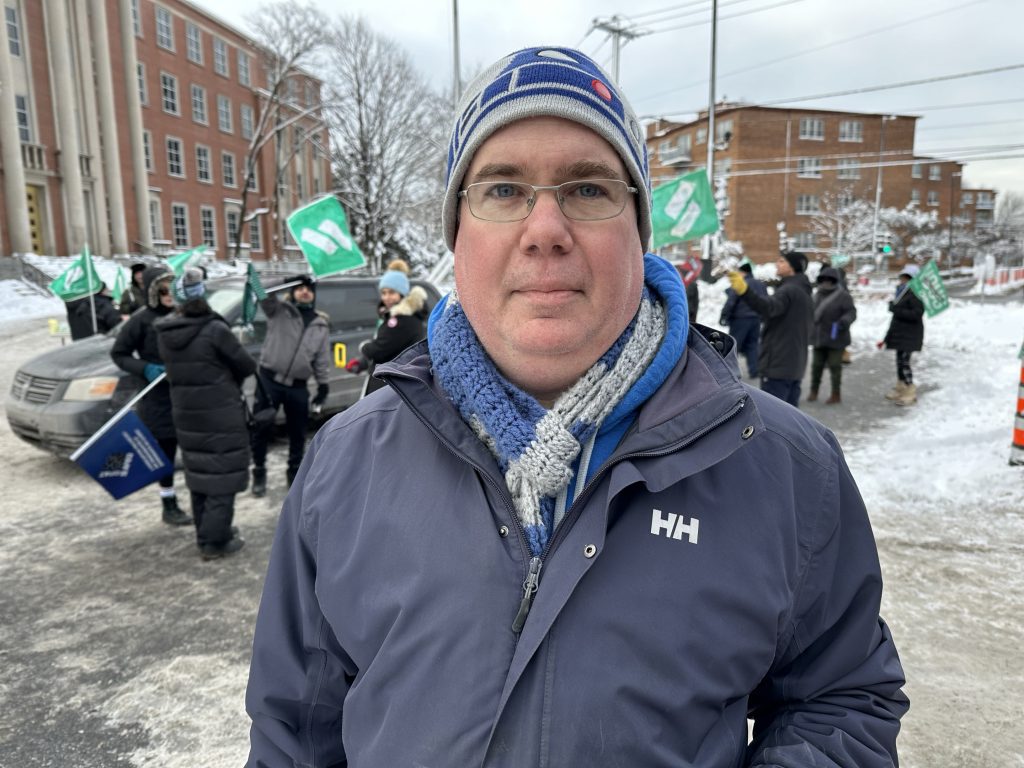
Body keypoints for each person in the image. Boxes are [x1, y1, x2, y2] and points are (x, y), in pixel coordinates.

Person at [245, 46, 907, 767]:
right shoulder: (346, 462)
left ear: (638, 229)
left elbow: (842, 699)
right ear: (457, 235)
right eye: (502, 190)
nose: (545, 229)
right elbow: (294, 730)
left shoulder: (784, 466)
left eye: (588, 189)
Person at [155, 269, 256, 559]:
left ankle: (207, 533)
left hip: (187, 415)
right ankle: (214, 542)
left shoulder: (167, 333)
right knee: (223, 477)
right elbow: (246, 365)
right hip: (220, 414)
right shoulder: (215, 330)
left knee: (200, 476)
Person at [110, 265, 190, 526]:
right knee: (165, 455)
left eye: (172, 288)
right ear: (154, 292)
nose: (169, 294)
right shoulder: (141, 320)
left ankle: (202, 500)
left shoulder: (184, 314)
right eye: (163, 290)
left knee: (193, 452)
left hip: (188, 396)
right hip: (157, 400)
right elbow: (119, 353)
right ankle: (169, 504)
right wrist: (145, 368)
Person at [249, 274, 330, 496]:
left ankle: (294, 473)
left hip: (298, 386)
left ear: (313, 294)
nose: (305, 291)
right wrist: (289, 279)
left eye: (309, 289)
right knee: (262, 427)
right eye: (300, 288)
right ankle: (259, 471)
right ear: (293, 291)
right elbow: (260, 287)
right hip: (269, 382)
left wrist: (323, 386)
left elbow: (322, 359)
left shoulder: (320, 324)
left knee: (298, 433)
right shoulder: (278, 310)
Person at [727, 250, 813, 407]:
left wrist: (744, 291)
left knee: (773, 417)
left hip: (778, 363)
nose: (776, 264)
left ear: (792, 267)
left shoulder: (789, 290)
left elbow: (768, 307)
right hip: (795, 364)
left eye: (781, 261)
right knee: (791, 419)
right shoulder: (804, 291)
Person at [344, 268, 429, 396]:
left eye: (391, 292)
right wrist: (362, 362)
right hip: (389, 380)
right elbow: (390, 348)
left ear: (402, 294)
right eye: (383, 293)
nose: (386, 297)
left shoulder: (403, 319)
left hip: (390, 382)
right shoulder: (398, 316)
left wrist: (364, 347)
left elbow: (381, 348)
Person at [808, 265, 857, 404]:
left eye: (830, 279)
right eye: (823, 279)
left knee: (835, 367)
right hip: (818, 337)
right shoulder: (816, 295)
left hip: (836, 338)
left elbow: (851, 312)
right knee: (816, 366)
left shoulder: (843, 296)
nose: (826, 282)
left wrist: (844, 321)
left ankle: (836, 394)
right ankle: (814, 391)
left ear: (835, 280)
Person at [882, 263, 925, 406]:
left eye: (906, 278)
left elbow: (916, 314)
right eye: (902, 277)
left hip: (910, 335)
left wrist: (895, 309)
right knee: (899, 362)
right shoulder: (901, 293)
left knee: (905, 363)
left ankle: (910, 391)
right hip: (900, 334)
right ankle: (901, 387)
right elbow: (897, 315)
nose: (902, 280)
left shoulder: (915, 294)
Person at [719, 261, 767, 378]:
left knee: (734, 345)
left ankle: (731, 374)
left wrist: (724, 315)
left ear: (742, 272)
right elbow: (765, 301)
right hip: (756, 319)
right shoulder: (760, 284)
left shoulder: (741, 283)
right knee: (753, 345)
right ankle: (754, 371)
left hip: (740, 319)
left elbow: (731, 300)